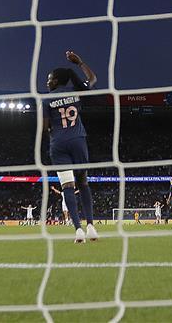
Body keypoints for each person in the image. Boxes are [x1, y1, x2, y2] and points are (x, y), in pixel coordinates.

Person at [44, 50, 99, 243]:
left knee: (67, 186)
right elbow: (92, 79)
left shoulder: (46, 99)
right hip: (78, 140)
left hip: (58, 144)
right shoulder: (75, 92)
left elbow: (45, 127)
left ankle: (78, 230)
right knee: (83, 183)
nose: (47, 82)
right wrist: (80, 62)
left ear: (57, 81)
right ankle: (91, 226)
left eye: (50, 79)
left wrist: (52, 133)